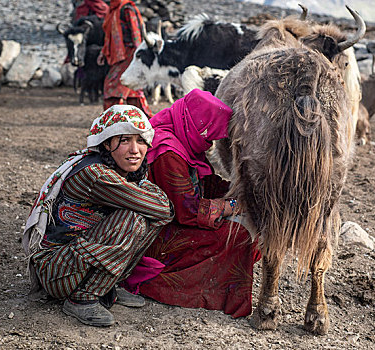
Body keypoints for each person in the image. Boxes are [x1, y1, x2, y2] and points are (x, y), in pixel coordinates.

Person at [22, 105, 173, 327]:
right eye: (124, 140)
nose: (135, 150)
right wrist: (150, 198)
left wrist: (151, 199)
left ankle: (107, 286)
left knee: (143, 216)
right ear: (106, 144)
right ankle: (82, 299)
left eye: (140, 141)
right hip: (57, 272)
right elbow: (163, 207)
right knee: (133, 218)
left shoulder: (126, 169)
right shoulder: (95, 175)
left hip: (77, 261)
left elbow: (162, 210)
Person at [123, 89, 261, 318]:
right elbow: (187, 211)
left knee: (247, 227)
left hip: (177, 217)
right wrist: (232, 205)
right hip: (157, 232)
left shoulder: (185, 138)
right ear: (199, 126)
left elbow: (206, 182)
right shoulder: (169, 152)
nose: (209, 145)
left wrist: (244, 192)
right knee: (238, 235)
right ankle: (167, 285)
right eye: (210, 137)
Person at [98, 0, 152, 116]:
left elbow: (136, 33)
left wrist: (139, 55)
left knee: (112, 86)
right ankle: (141, 118)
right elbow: (109, 36)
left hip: (129, 54)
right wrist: (103, 52)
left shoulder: (127, 9)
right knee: (132, 88)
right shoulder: (113, 10)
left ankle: (113, 118)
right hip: (119, 54)